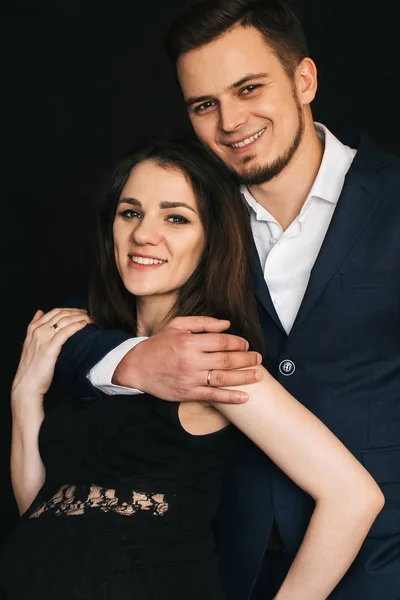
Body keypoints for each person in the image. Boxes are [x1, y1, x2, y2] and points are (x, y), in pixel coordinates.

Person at [55, 0, 400, 598]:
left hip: (379, 562)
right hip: (217, 564)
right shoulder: (191, 216)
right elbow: (85, 320)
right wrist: (132, 360)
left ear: (304, 79)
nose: (231, 120)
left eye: (248, 89)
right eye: (204, 104)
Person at [1, 139, 383, 600]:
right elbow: (41, 510)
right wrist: (25, 396)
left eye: (176, 217)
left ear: (212, 241)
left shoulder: (214, 359)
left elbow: (353, 497)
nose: (144, 233)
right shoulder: (97, 356)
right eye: (130, 212)